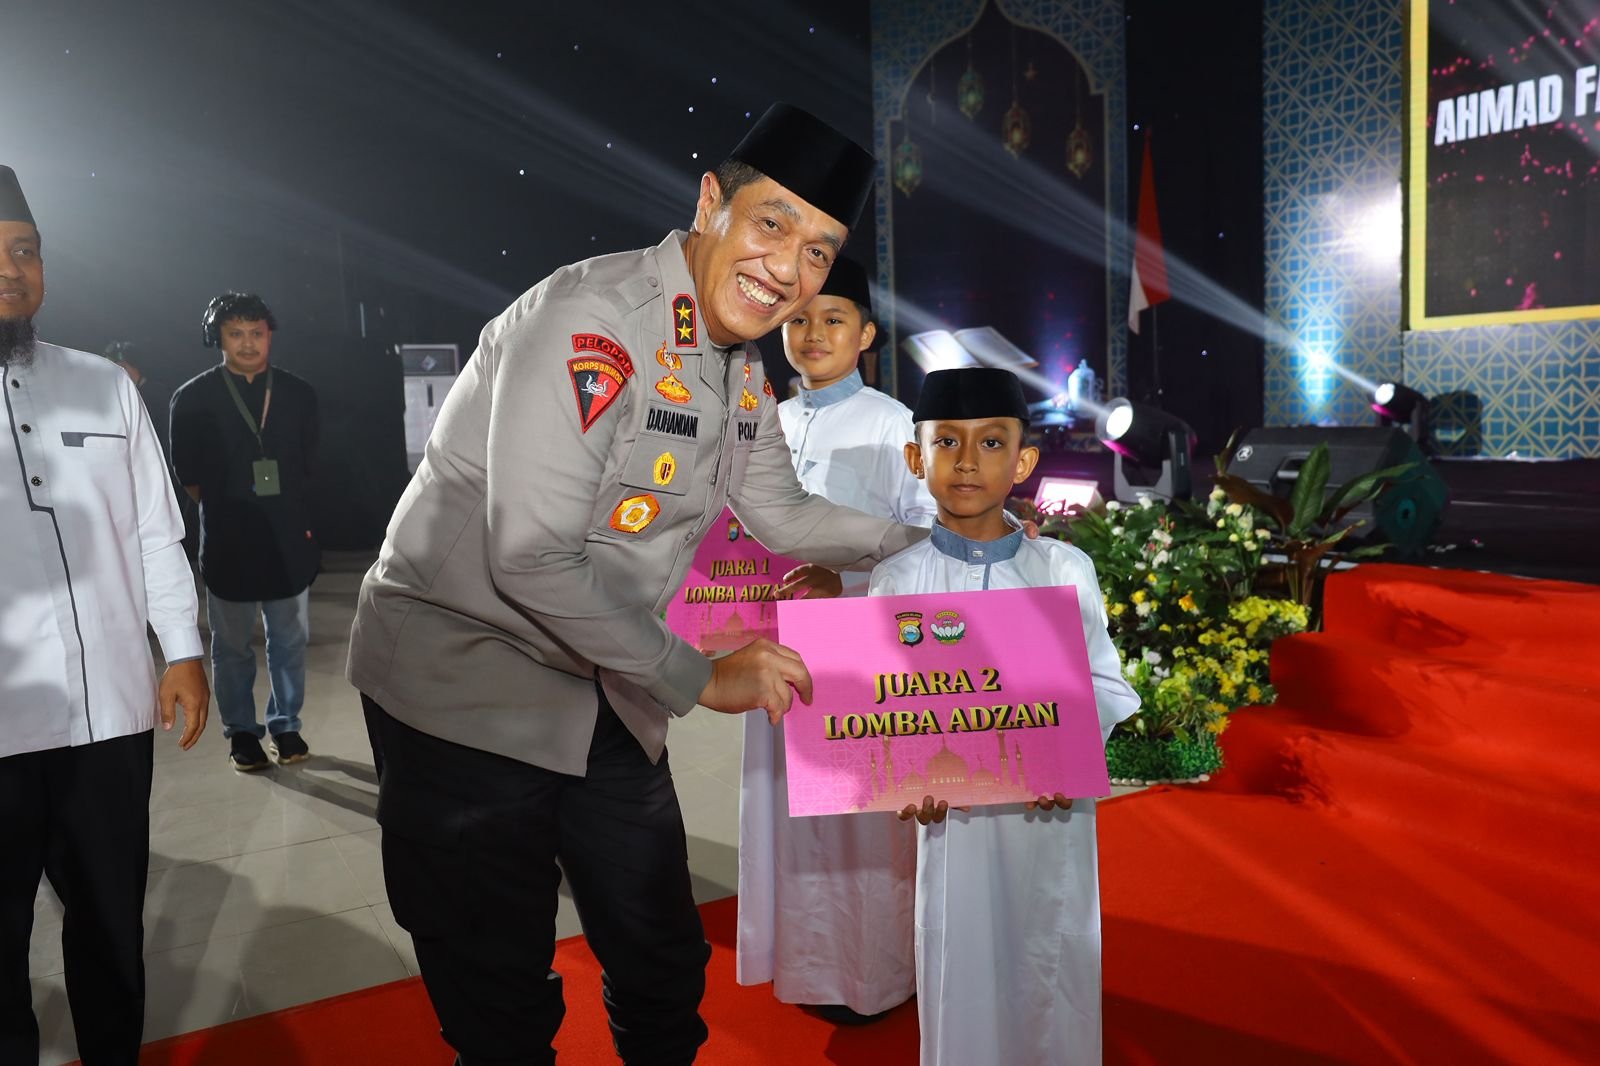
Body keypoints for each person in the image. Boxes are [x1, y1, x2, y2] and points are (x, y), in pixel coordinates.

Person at [347, 103, 929, 1065]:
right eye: (772, 223)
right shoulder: (593, 321)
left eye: (819, 252)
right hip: (465, 690)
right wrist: (704, 678)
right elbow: (530, 556)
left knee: (662, 958)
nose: (789, 268)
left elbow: (784, 515)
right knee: (499, 996)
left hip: (606, 680)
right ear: (710, 204)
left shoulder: (740, 367)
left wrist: (942, 538)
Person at [868, 367, 1141, 1066]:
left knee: (1049, 957)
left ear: (1023, 462)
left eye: (991, 443)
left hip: (1051, 816)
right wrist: (904, 775)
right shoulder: (896, 581)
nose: (967, 461)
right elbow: (886, 709)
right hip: (951, 822)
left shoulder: (1063, 570)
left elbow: (1105, 683)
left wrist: (1064, 752)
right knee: (958, 961)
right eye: (947, 442)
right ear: (915, 458)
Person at [0, 164, 210, 1065]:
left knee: (112, 929)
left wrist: (183, 650)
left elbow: (157, 531)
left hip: (108, 721)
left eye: (25, 251)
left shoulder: (104, 385)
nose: (11, 270)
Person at [736, 256, 935, 1023]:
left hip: (859, 659)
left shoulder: (894, 426)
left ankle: (874, 974)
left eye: (833, 318)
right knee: (789, 816)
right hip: (772, 652)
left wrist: (843, 578)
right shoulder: (765, 424)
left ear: (867, 334)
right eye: (798, 319)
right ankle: (810, 965)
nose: (813, 333)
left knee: (862, 828)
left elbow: (928, 543)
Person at [169, 292, 320, 771]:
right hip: (229, 540)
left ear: (269, 334)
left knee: (289, 642)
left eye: (257, 332)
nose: (248, 343)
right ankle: (241, 732)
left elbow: (310, 463)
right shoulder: (193, 398)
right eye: (236, 333)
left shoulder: (298, 393)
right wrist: (231, 506)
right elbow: (188, 475)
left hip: (287, 540)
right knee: (232, 647)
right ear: (218, 338)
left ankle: (286, 724)